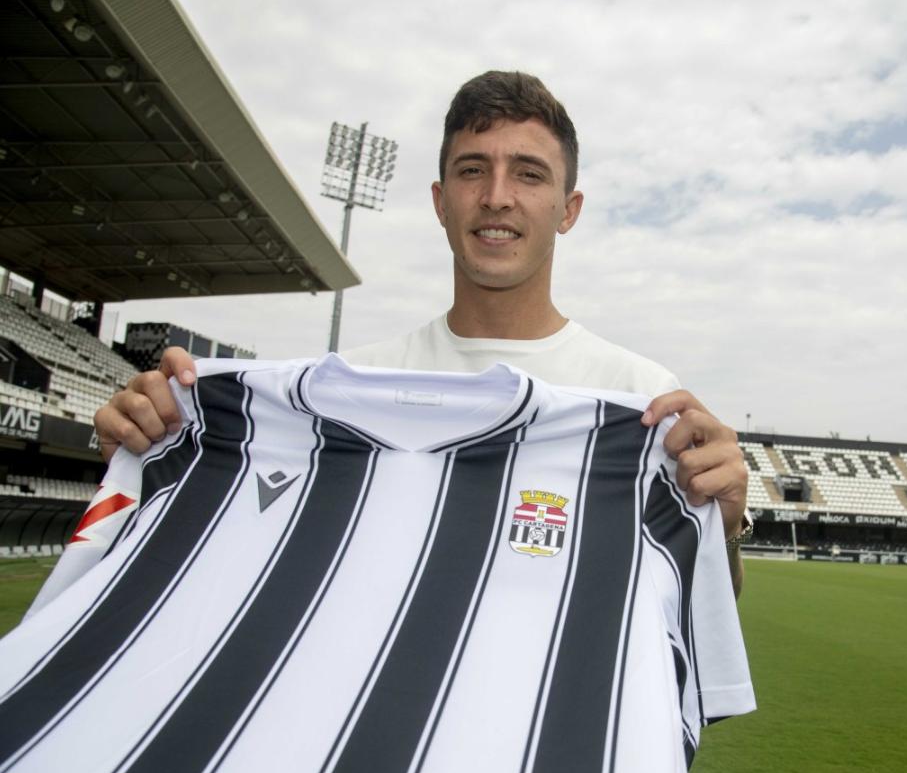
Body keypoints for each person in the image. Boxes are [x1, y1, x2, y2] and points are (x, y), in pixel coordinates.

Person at [93, 70, 750, 594]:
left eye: (528, 173)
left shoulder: (641, 399)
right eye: (472, 170)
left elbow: (695, 606)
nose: (496, 196)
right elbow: (234, 561)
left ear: (567, 210)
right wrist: (157, 454)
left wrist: (720, 524)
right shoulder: (351, 387)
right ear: (441, 202)